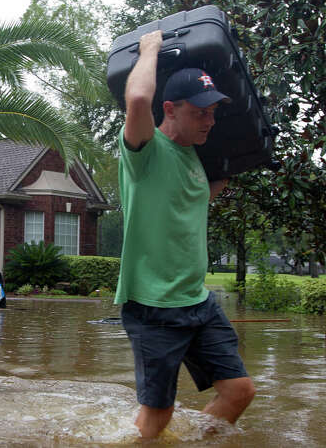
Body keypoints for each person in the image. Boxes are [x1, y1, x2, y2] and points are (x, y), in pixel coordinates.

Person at [116, 30, 255, 439]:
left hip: (198, 301)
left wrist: (230, 174)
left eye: (213, 112)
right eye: (200, 113)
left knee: (239, 392)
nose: (210, 121)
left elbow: (192, 196)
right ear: (170, 110)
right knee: (157, 416)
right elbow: (138, 100)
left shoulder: (195, 154)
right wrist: (151, 49)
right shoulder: (145, 150)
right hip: (154, 306)